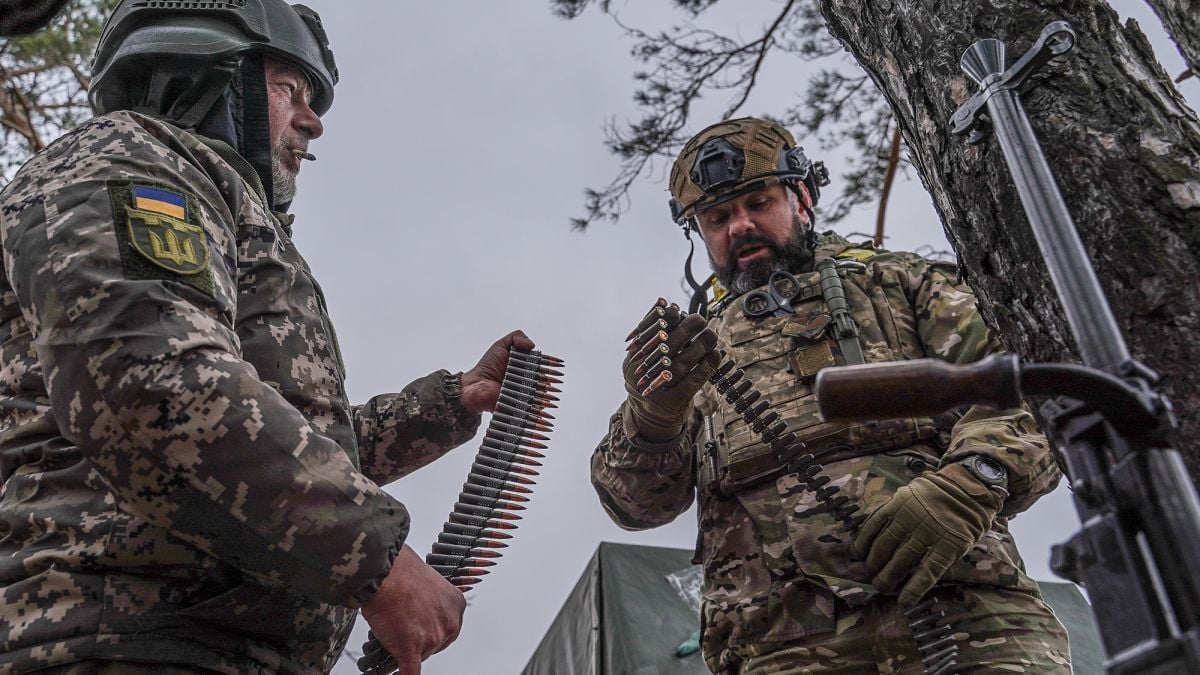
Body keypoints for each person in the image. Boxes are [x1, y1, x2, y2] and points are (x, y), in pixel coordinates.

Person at [0, 2, 529, 673]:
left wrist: (450, 402)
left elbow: (252, 437)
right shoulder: (132, 158)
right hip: (129, 642)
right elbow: (150, 384)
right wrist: (375, 557)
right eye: (291, 90)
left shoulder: (205, 197)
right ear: (208, 70)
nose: (313, 122)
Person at [590, 117, 1071, 673]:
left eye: (758, 202)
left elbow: (1030, 392)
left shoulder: (903, 284)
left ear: (802, 198)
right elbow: (633, 504)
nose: (741, 226)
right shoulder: (692, 353)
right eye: (718, 218)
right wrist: (653, 416)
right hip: (780, 649)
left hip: (971, 620)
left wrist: (971, 484)